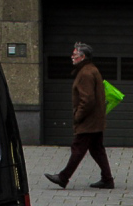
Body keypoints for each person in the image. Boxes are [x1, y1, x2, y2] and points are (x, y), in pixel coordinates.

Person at [46, 42, 114, 189]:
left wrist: (78, 116)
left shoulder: (86, 73)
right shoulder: (90, 70)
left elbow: (87, 99)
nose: (72, 57)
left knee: (78, 148)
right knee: (97, 149)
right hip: (95, 119)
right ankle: (107, 179)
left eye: (75, 54)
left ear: (83, 57)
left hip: (88, 121)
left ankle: (63, 177)